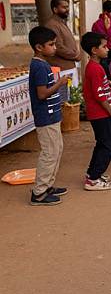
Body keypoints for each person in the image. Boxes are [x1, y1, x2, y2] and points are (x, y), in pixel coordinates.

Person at [28, 26, 70, 206]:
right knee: (49, 153)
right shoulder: (38, 66)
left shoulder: (43, 65)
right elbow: (42, 94)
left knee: (56, 149)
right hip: (45, 118)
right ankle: (39, 193)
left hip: (52, 116)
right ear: (39, 47)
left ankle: (48, 186)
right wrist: (60, 83)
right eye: (51, 44)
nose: (54, 47)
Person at [81, 32, 111, 191]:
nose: (107, 49)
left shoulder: (97, 66)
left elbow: (103, 91)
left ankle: (93, 172)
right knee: (107, 144)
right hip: (100, 114)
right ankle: (93, 179)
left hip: (102, 112)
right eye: (104, 46)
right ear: (94, 50)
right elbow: (99, 96)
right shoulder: (94, 69)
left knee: (108, 140)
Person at [44, 0, 81, 98]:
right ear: (55, 9)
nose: (67, 9)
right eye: (64, 7)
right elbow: (58, 47)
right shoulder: (52, 25)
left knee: (73, 97)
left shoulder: (61, 23)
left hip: (69, 66)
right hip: (62, 68)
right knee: (66, 99)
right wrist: (76, 55)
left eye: (67, 7)